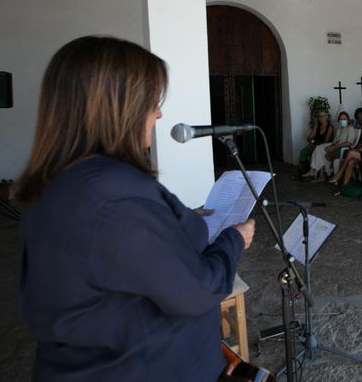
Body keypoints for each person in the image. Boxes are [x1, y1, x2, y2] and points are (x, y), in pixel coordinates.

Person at [15, 36, 256, 380]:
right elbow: (199, 289)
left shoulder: (61, 182)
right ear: (117, 107)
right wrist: (234, 239)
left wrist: (173, 217)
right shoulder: (114, 198)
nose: (158, 113)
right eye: (151, 101)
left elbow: (122, 253)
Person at [330, 114, 362, 189]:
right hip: (361, 154)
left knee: (350, 152)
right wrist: (360, 147)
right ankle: (344, 186)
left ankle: (340, 173)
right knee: (351, 161)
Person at [304, 111, 358, 181]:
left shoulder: (350, 129)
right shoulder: (339, 129)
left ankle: (318, 173)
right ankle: (313, 171)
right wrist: (331, 146)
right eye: (341, 119)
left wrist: (334, 147)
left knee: (322, 153)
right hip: (335, 145)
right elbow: (335, 141)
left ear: (347, 120)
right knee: (319, 148)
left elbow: (349, 143)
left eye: (344, 119)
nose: (342, 121)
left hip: (342, 149)